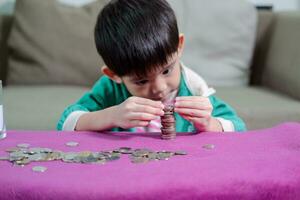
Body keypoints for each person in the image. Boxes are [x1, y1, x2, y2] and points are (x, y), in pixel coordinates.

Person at [57, 0, 246, 133]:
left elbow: (238, 127)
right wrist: (112, 116)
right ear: (114, 74)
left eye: (166, 70)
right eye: (141, 81)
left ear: (179, 47)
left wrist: (209, 123)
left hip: (179, 172)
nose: (160, 88)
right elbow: (66, 123)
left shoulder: (194, 88)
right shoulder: (110, 89)